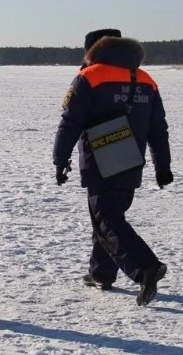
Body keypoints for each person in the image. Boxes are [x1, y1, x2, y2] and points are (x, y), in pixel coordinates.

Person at [53, 29, 173, 306]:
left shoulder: (89, 77)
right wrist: (162, 165)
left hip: (101, 160)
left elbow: (70, 123)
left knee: (107, 219)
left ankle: (145, 267)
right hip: (132, 161)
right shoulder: (146, 80)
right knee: (109, 216)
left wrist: (60, 159)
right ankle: (101, 273)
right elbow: (159, 129)